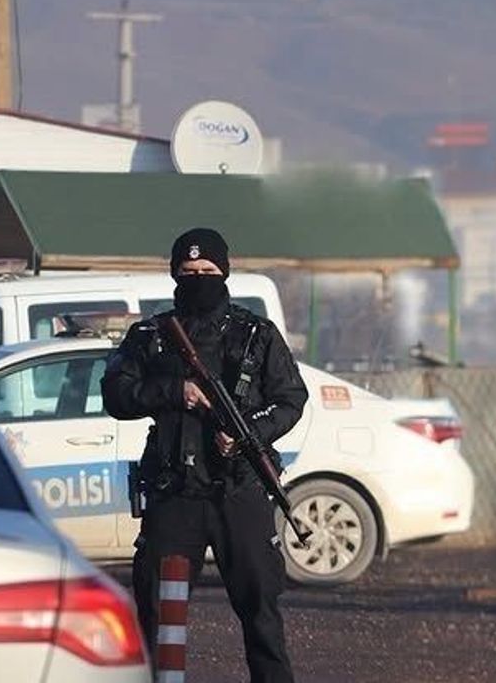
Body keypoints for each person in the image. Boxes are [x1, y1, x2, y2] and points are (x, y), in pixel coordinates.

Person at [102, 228, 308, 683]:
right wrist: (176, 391)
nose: (198, 278)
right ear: (175, 274)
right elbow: (116, 393)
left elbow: (291, 398)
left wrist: (248, 433)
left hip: (240, 492)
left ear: (225, 272)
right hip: (174, 495)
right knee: (157, 616)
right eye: (188, 271)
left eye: (208, 270)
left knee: (262, 614)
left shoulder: (256, 335)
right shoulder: (152, 335)